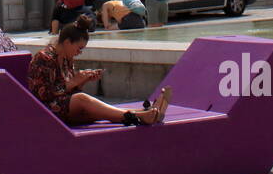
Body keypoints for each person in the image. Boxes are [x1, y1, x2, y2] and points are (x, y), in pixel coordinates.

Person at [27, 21, 170, 126]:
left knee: (98, 110)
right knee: (83, 100)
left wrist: (82, 81)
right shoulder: (44, 58)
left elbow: (68, 93)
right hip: (45, 112)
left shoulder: (66, 59)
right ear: (67, 42)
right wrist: (74, 81)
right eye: (79, 48)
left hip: (62, 109)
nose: (79, 52)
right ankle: (142, 114)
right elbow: (44, 95)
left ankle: (144, 114)